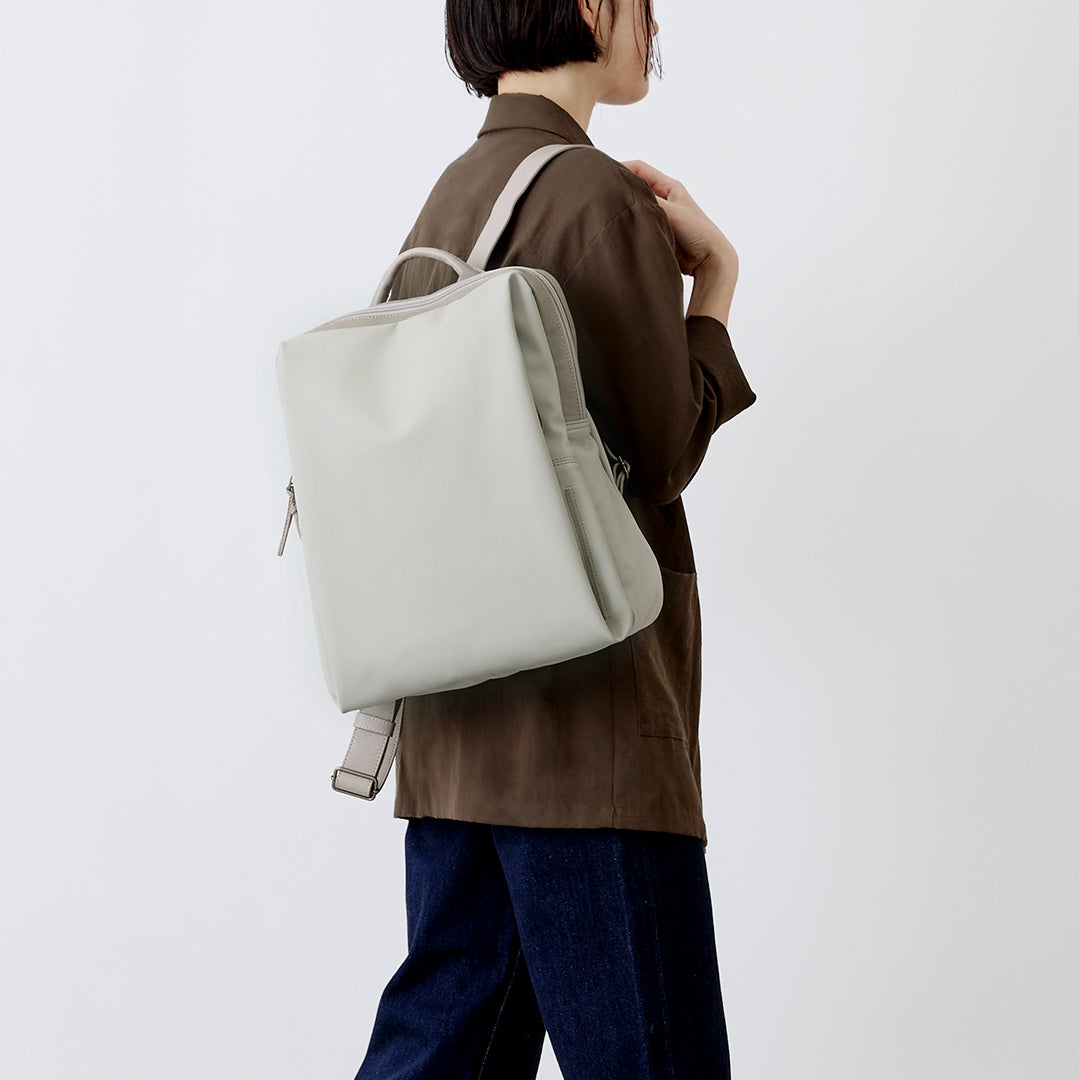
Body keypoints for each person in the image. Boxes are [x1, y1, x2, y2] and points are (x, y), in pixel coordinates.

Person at [354, 1, 757, 1077]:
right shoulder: (595, 195)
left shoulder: (455, 193)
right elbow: (661, 449)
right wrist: (715, 288)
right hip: (588, 742)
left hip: (455, 731)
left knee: (442, 1050)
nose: (655, 19)